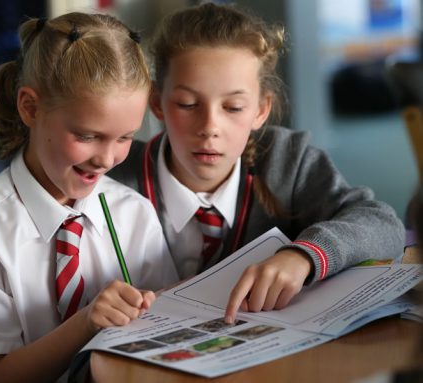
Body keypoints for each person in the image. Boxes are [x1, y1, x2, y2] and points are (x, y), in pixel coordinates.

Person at [108, 2, 405, 324]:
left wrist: (303, 255)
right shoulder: (117, 175)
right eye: (188, 104)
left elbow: (383, 224)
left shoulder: (287, 160)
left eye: (233, 107)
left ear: (261, 110)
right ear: (157, 103)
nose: (210, 126)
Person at [0, 12, 178, 383]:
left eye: (125, 137)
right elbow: (2, 376)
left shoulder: (134, 213)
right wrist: (87, 321)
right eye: (86, 136)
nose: (107, 158)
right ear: (30, 108)